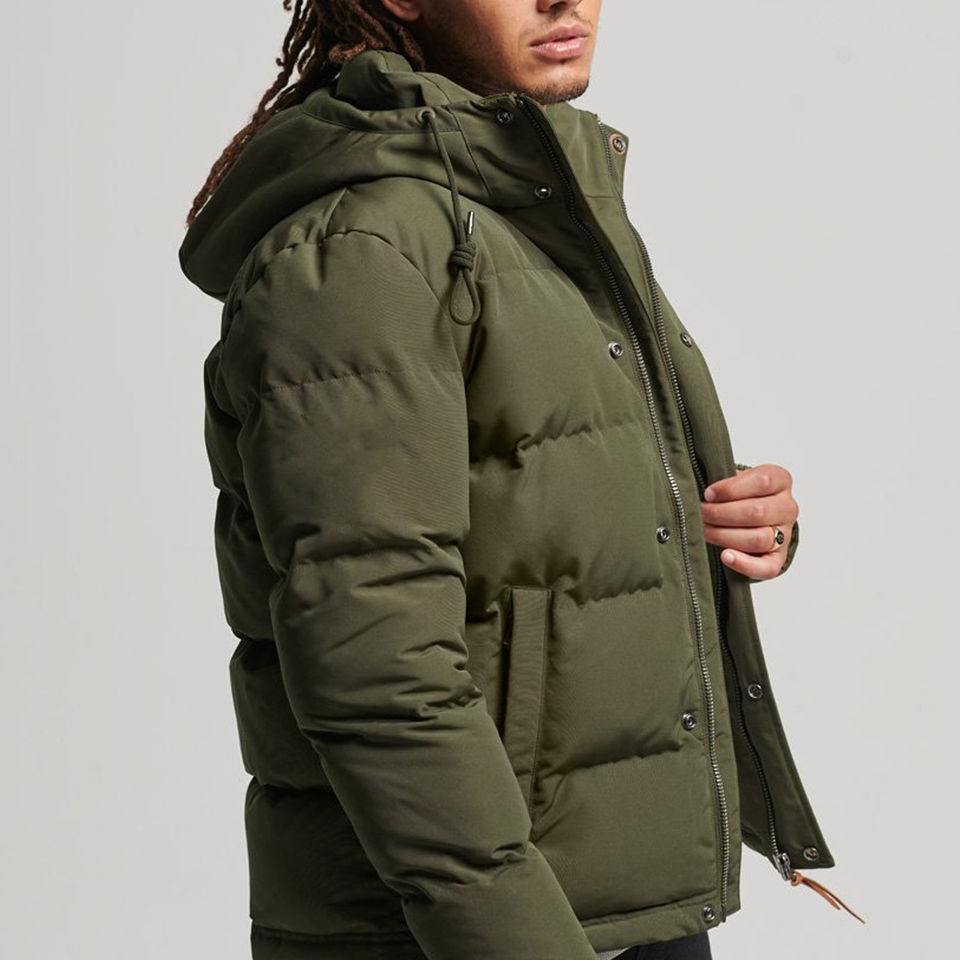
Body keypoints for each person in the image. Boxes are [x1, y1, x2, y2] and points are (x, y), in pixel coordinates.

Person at [179, 2, 852, 958]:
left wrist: (734, 521)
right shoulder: (362, 250)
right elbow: (375, 663)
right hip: (463, 930)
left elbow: (537, 510)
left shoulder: (522, 206)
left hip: (615, 907)